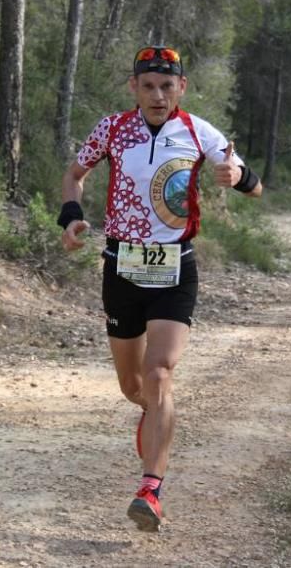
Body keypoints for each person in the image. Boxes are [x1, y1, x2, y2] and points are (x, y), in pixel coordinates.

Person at [57, 45, 263, 532]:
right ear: (133, 87)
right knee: (134, 388)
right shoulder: (112, 129)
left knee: (161, 373)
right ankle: (153, 420)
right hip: (121, 268)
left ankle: (150, 488)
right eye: (147, 85)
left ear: (181, 88)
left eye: (167, 86)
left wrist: (236, 177)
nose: (157, 95)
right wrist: (71, 217)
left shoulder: (199, 131)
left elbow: (255, 186)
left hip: (175, 270)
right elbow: (75, 175)